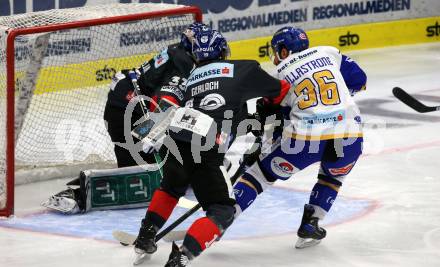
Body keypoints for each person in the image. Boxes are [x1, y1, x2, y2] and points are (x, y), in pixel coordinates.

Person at [132, 27, 291, 266]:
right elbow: (281, 92)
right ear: (222, 50)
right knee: (222, 211)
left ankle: (145, 236)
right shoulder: (243, 68)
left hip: (176, 137)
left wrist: (251, 122)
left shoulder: (191, 76)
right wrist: (268, 112)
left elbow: (210, 109)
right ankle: (181, 257)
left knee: (171, 187)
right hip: (205, 145)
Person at [232, 26, 367, 249]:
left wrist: (259, 151)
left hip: (305, 140)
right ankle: (311, 223)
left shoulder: (277, 75)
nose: (275, 55)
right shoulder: (327, 52)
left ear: (284, 51)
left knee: (258, 175)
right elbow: (360, 79)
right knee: (333, 176)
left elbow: (276, 121)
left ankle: (222, 218)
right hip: (350, 135)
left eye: (276, 50)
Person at [103, 22, 204, 167]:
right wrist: (149, 134)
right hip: (126, 107)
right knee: (142, 164)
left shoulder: (178, 50)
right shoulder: (185, 62)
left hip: (120, 101)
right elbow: (164, 100)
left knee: (133, 160)